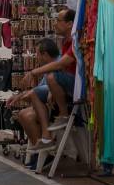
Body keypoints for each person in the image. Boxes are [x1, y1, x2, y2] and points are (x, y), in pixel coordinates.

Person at [7, 38, 72, 169]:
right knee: (23, 114)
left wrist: (22, 96)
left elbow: (40, 91)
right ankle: (42, 152)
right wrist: (19, 96)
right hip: (47, 106)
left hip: (59, 107)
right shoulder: (48, 68)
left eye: (37, 54)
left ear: (45, 54)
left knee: (27, 115)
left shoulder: (57, 66)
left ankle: (45, 148)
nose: (36, 57)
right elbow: (40, 89)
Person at [24, 8, 76, 121]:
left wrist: (34, 72)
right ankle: (45, 135)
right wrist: (52, 90)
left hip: (76, 85)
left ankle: (63, 115)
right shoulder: (65, 42)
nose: (55, 24)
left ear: (69, 24)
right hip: (67, 81)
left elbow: (61, 65)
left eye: (58, 20)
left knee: (50, 77)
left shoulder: (75, 42)